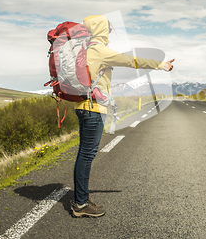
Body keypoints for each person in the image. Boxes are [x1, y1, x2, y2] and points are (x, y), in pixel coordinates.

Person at [71, 14, 174, 218]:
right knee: (87, 154)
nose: (109, 32)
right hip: (93, 109)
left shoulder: (84, 50)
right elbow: (131, 61)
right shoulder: (99, 50)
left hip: (82, 105)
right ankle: (81, 204)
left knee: (84, 153)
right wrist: (160, 65)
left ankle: (80, 199)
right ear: (100, 30)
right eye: (107, 29)